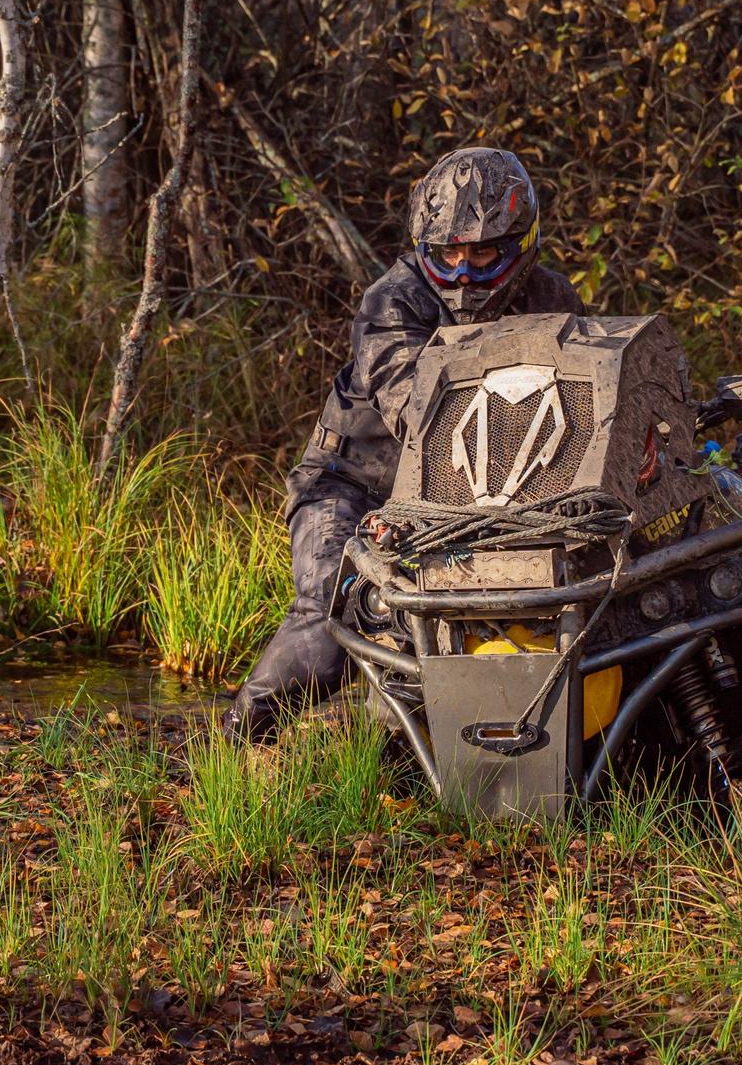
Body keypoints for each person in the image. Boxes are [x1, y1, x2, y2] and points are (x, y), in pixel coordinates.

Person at [224, 147, 583, 740]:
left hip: (482, 489)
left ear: (520, 242)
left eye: (482, 251)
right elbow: (420, 413)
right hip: (355, 483)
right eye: (448, 253)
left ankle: (415, 751)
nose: (464, 270)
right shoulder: (393, 300)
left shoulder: (553, 300)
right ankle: (233, 739)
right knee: (329, 621)